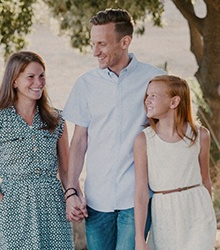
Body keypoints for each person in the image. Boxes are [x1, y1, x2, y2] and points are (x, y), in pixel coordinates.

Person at [63, 8, 166, 249]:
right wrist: (70, 191)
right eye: (93, 43)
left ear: (125, 41)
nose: (95, 51)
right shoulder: (86, 84)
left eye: (102, 44)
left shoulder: (155, 80)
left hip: (137, 197)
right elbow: (78, 142)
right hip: (97, 199)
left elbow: (169, 135)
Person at [0, 51, 74, 249]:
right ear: (14, 81)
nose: (38, 82)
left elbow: (66, 170)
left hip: (52, 205)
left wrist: (73, 196)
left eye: (41, 76)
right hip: (14, 206)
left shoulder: (56, 120)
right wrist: (3, 203)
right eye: (30, 77)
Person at [134, 75, 217, 249]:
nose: (147, 101)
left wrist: (209, 212)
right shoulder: (144, 140)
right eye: (147, 96)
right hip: (165, 213)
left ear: (174, 102)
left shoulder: (200, 135)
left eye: (153, 96)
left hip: (198, 211)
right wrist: (139, 238)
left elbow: (205, 179)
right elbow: (141, 191)